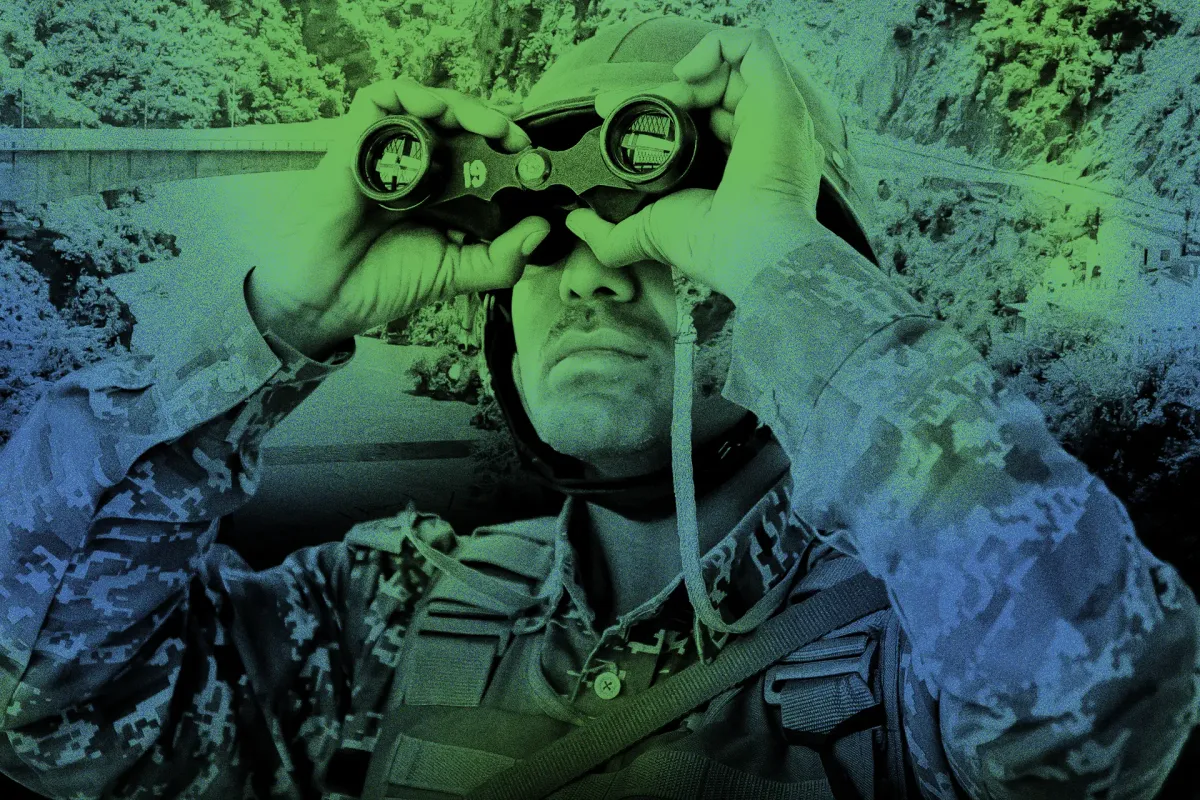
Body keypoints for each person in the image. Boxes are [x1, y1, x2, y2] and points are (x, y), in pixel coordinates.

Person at [1, 14, 1197, 800]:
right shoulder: (387, 616)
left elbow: (1098, 695)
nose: (593, 273)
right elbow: (40, 698)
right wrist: (278, 314)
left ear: (790, 278)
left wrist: (784, 256)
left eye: (667, 236)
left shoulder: (926, 646)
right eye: (547, 238)